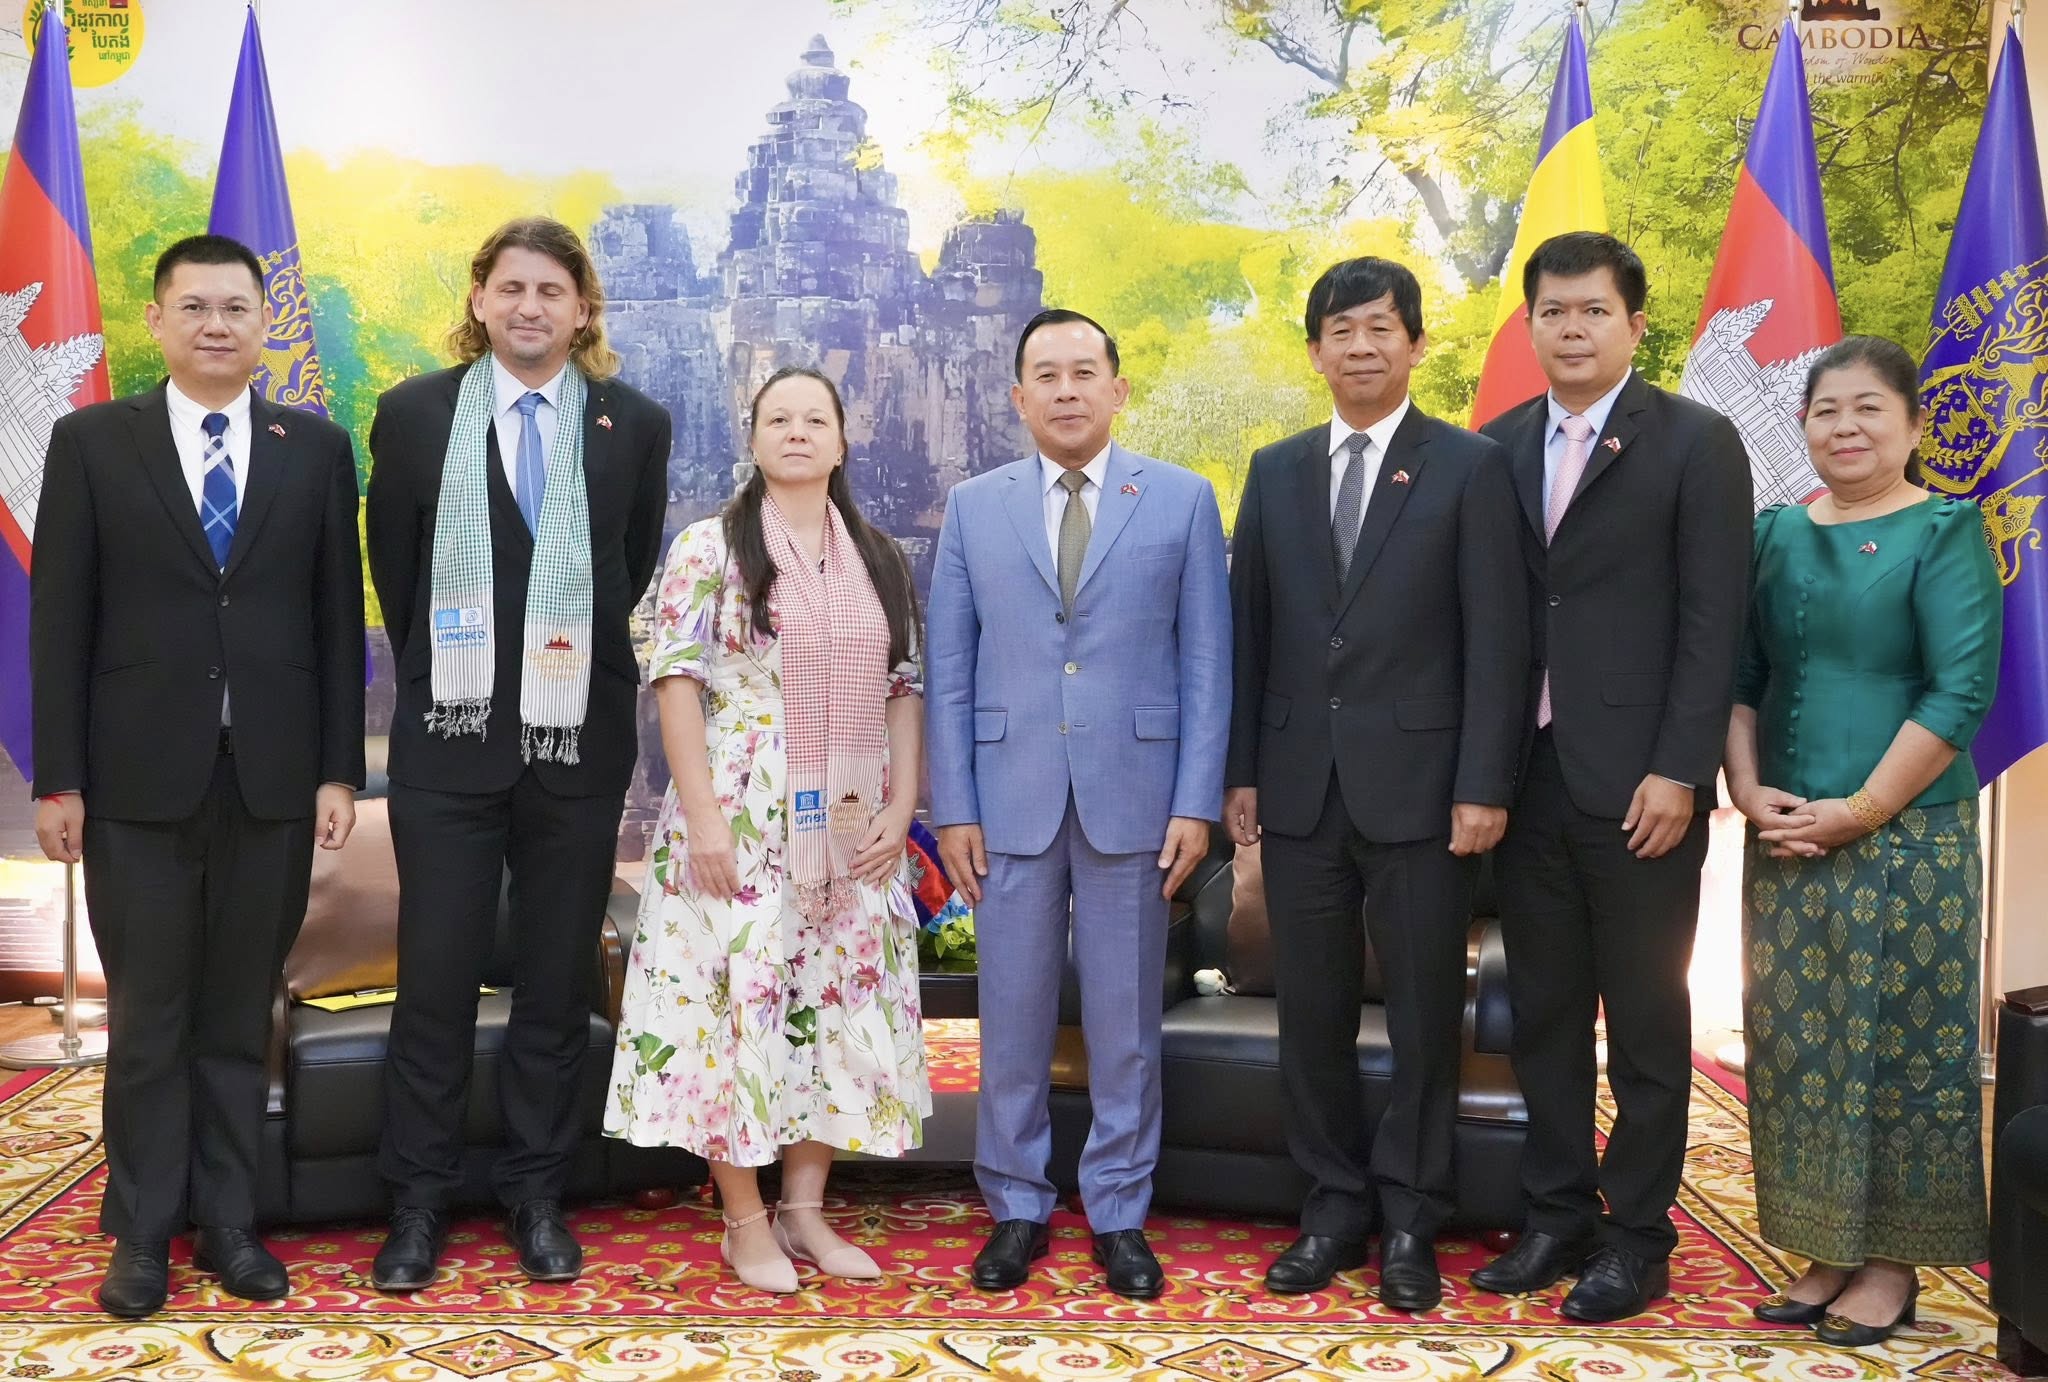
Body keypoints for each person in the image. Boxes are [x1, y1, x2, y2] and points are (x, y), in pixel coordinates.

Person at [29, 235, 365, 1318]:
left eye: (236, 308)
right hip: (134, 779)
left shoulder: (316, 448)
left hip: (272, 778)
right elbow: (58, 618)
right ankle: (141, 1233)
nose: (216, 325)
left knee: (236, 1012)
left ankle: (228, 1221)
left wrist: (338, 770)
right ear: (156, 320)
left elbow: (334, 620)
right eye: (195, 307)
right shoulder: (92, 441)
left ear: (264, 324)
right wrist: (59, 776)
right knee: (150, 1014)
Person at [363, 217, 670, 1290]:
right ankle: (417, 1202)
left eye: (552, 290)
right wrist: (464, 676)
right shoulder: (413, 414)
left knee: (553, 980)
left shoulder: (633, 423)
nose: (530, 306)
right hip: (450, 744)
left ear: (582, 309)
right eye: (511, 287)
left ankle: (537, 1192)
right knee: (435, 980)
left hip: (577, 740)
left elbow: (627, 568)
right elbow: (398, 576)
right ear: (480, 299)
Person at [1223, 257, 1527, 1310]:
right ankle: (1331, 1207)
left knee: (1422, 1013)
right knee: (1307, 1011)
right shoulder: (1274, 469)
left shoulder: (1471, 466)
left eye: (1380, 327)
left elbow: (1498, 638)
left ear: (1415, 344)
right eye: (1340, 330)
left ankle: (1410, 1217)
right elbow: (1250, 632)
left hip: (1427, 791)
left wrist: (1483, 781)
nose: (1360, 346)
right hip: (1299, 786)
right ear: (1314, 350)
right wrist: (1240, 773)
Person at [1471, 231, 1752, 1321]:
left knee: (1642, 1019)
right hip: (1528, 776)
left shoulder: (1694, 441)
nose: (1572, 328)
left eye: (1593, 310)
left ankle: (1636, 1237)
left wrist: (1680, 767)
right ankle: (1554, 1213)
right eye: (1553, 310)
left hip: (1643, 785)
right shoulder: (1496, 446)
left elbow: (1713, 618)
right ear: (1530, 324)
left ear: (1634, 325)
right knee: (1542, 1012)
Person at [604, 366, 930, 1292]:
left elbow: (903, 690)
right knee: (735, 1004)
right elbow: (676, 683)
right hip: (739, 812)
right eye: (777, 419)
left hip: (854, 819)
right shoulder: (708, 547)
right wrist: (705, 819)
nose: (796, 432)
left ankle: (805, 1212)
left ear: (841, 440)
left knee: (835, 1002)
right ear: (752, 439)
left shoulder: (878, 557)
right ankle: (743, 1218)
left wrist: (902, 807)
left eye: (814, 419)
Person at [925, 309, 1230, 1299]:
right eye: (1046, 375)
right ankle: (1015, 1204)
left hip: (1136, 798)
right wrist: (953, 806)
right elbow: (950, 668)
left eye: (1083, 372)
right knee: (1010, 1020)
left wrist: (1194, 800)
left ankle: (1118, 1210)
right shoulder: (972, 507)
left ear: (1117, 389)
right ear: (1019, 398)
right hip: (1005, 799)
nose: (1066, 390)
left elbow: (1206, 662)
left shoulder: (1181, 500)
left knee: (1124, 1023)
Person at [1726, 335, 1999, 1347]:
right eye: (1825, 410)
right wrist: (1745, 787)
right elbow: (1740, 678)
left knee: (1899, 1047)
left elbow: (1959, 692)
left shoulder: (1945, 528)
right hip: (1784, 832)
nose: (1844, 427)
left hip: (1906, 836)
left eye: (1868, 408)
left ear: (1913, 425)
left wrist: (1863, 809)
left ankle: (1890, 1264)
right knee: (1796, 1047)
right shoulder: (1772, 533)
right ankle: (1825, 1248)